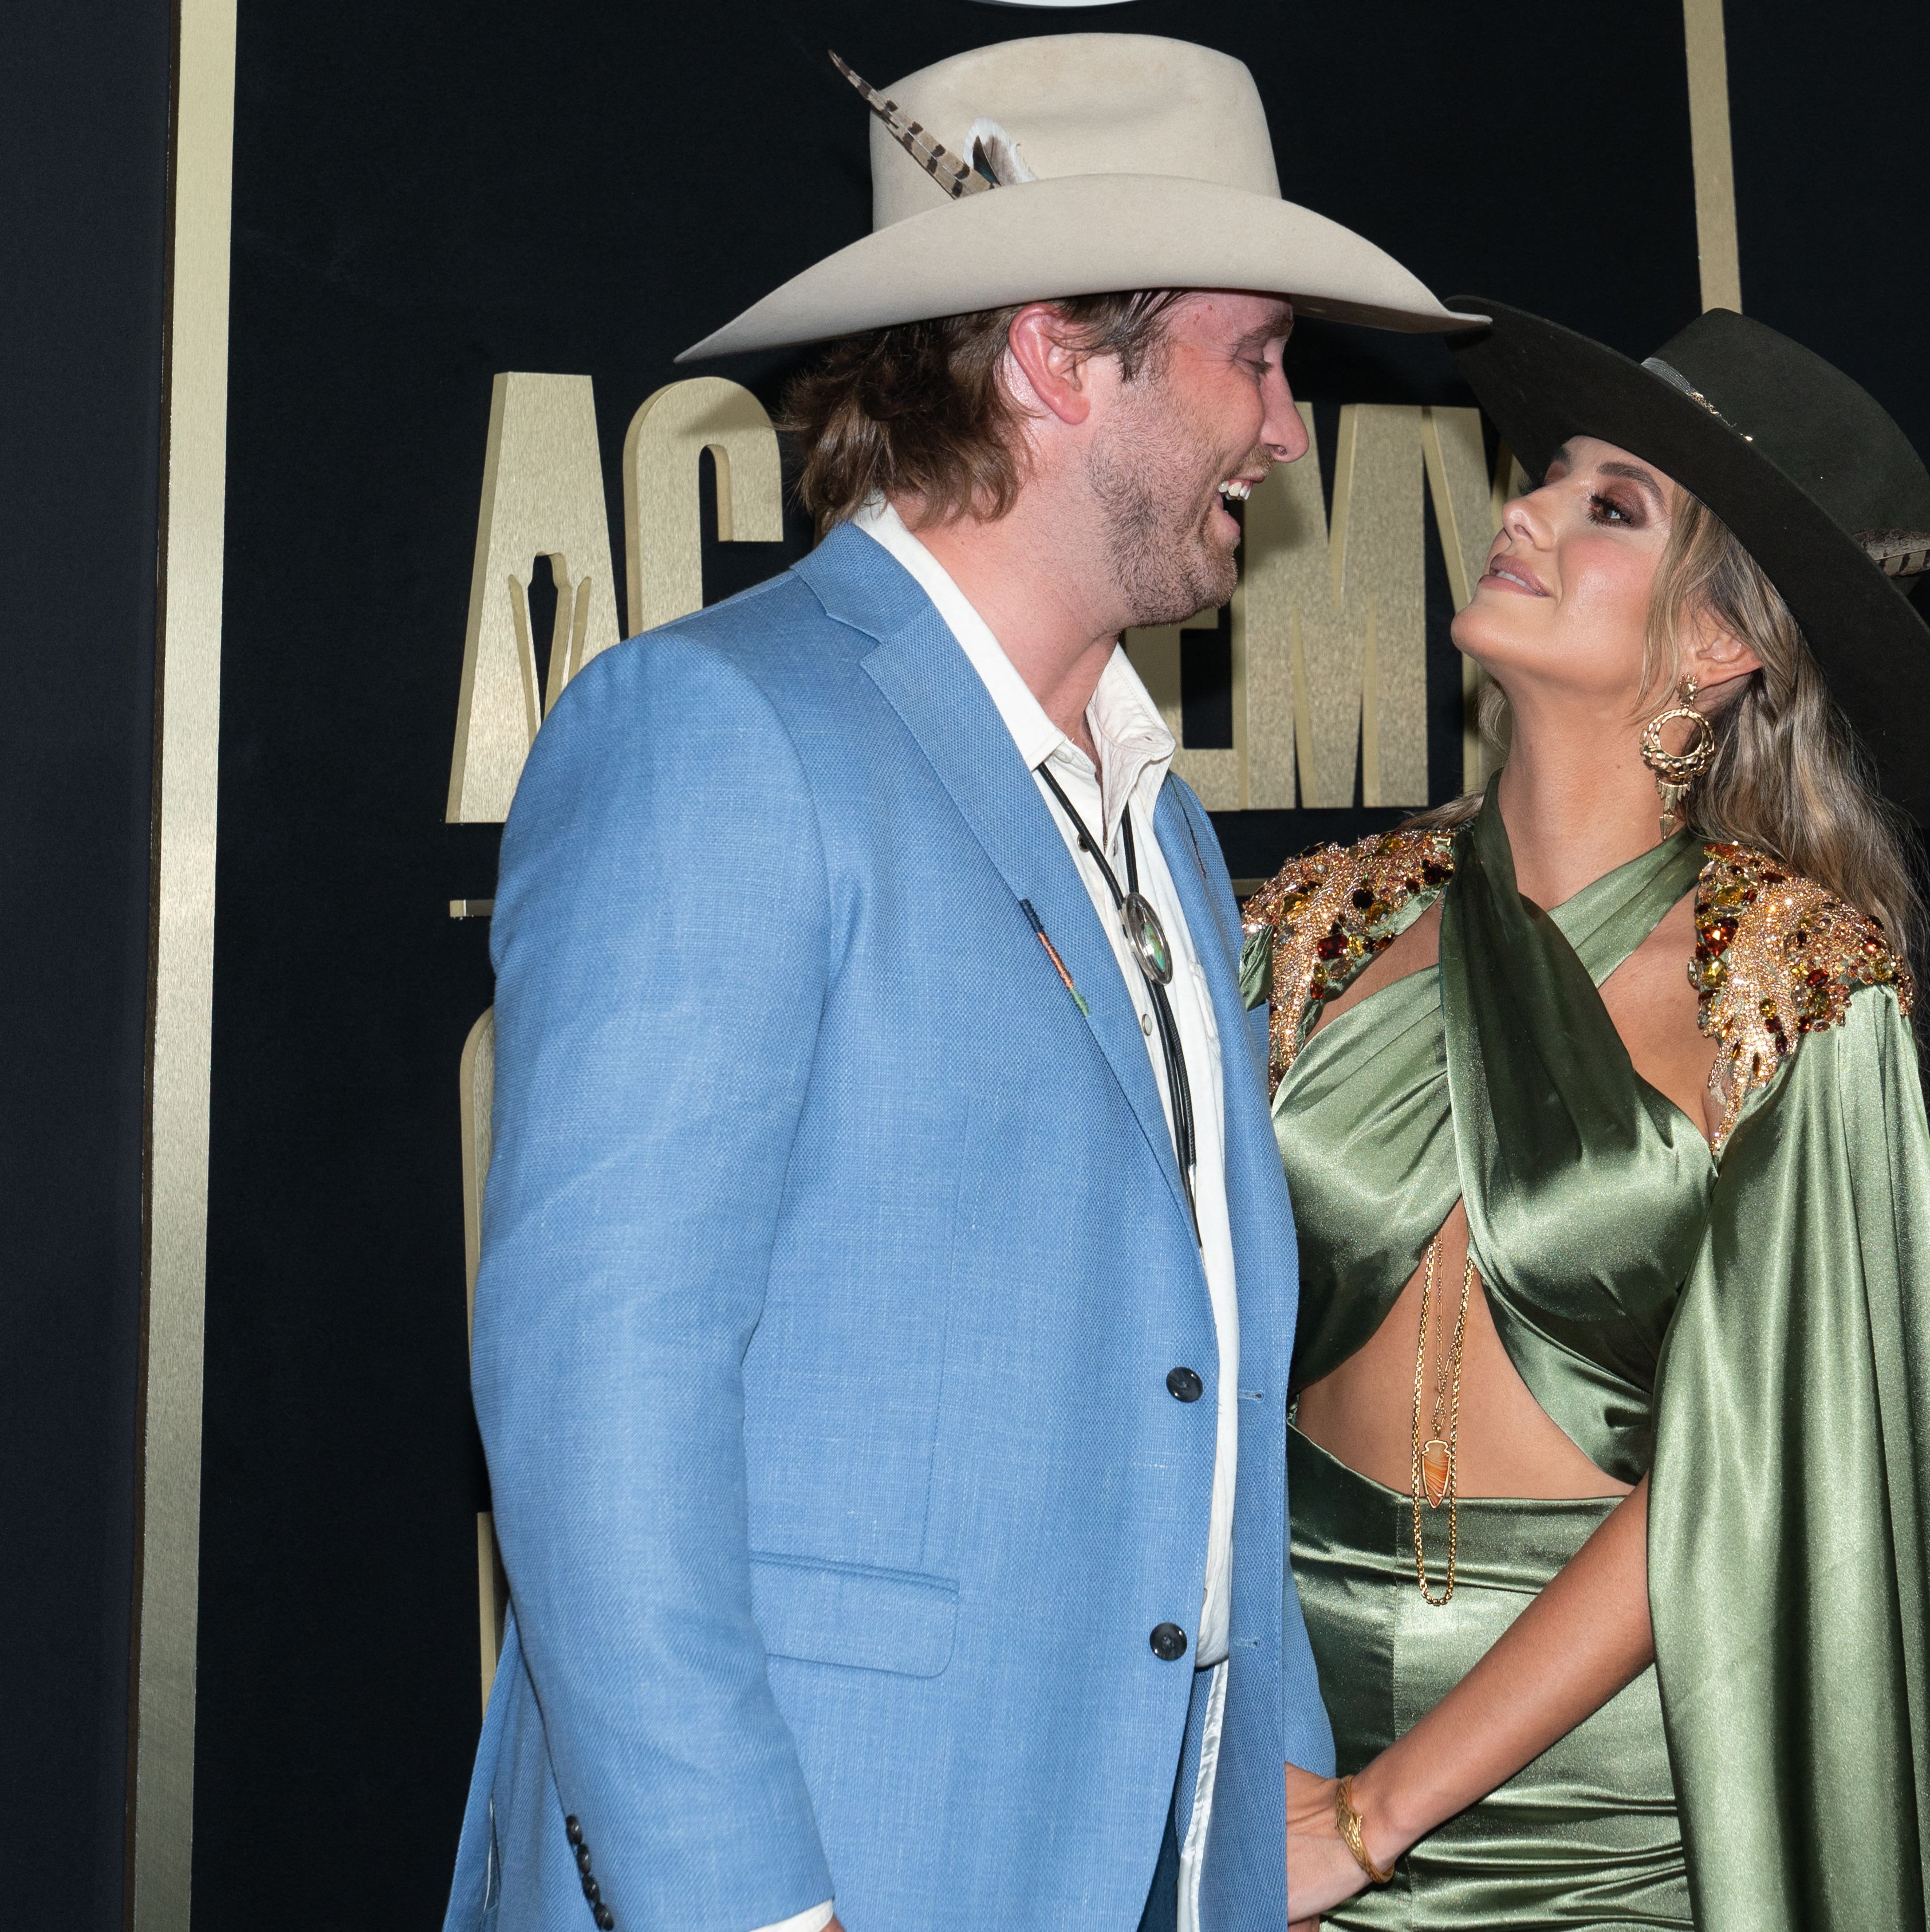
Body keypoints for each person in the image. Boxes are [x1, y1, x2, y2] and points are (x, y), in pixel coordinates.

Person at [440, 36, 1478, 1932]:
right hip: (830, 1867)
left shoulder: (1152, 814)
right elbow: (600, 1396)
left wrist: (1265, 1814)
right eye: (1251, 355)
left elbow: (1195, 1384)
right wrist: (745, 1908)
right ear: (1053, 355)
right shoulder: (720, 732)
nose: (1288, 427)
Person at [1252, 299, 1930, 1931]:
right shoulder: (1316, 924)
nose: (1522, 512)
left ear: (1721, 645)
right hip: (1270, 1742)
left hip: (1596, 1813)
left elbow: (1742, 1473)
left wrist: (1375, 1817)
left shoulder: (1799, 987)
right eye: (1545, 476)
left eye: (1609, 507)